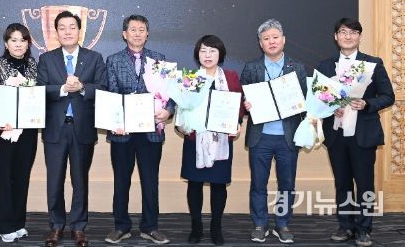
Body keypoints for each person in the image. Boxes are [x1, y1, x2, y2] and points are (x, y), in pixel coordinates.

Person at [318, 18, 394, 247]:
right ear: (336, 37)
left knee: (364, 184)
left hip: (363, 133)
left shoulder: (373, 63)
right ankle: (345, 226)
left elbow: (387, 96)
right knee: (342, 183)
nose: (348, 36)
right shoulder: (325, 65)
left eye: (353, 32)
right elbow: (318, 100)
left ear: (360, 37)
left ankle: (364, 229)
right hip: (336, 134)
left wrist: (367, 103)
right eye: (343, 32)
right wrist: (330, 108)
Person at [37, 10, 107, 247]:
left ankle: (78, 227)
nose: (67, 31)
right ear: (56, 32)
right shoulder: (46, 59)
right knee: (54, 181)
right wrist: (63, 89)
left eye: (72, 27)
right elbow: (39, 89)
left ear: (80, 31)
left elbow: (103, 87)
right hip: (55, 130)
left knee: (80, 180)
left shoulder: (94, 58)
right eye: (62, 28)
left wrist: (83, 88)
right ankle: (56, 225)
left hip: (82, 129)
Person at [104, 15, 174, 245]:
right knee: (121, 181)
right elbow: (111, 94)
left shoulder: (159, 59)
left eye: (141, 29)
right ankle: (121, 227)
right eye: (132, 29)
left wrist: (168, 111)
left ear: (147, 33)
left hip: (151, 131)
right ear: (124, 34)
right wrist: (116, 121)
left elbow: (170, 93)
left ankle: (150, 227)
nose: (137, 33)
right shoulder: (113, 61)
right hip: (122, 132)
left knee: (150, 181)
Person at [240, 19, 307, 244]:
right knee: (258, 183)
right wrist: (246, 104)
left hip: (288, 136)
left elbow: (305, 100)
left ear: (283, 40)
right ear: (260, 43)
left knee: (287, 184)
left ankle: (282, 224)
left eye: (275, 37)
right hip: (261, 137)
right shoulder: (251, 67)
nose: (271, 42)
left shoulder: (297, 67)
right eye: (266, 39)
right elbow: (242, 97)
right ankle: (260, 224)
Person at [181, 35, 245, 246]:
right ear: (197, 54)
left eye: (212, 51)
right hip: (195, 139)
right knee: (194, 183)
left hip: (221, 140)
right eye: (203, 51)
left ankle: (216, 227)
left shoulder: (230, 77)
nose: (207, 55)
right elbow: (182, 106)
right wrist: (183, 121)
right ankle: (196, 226)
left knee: (219, 185)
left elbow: (239, 105)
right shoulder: (190, 78)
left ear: (220, 54)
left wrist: (237, 123)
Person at [0, 23, 39, 243]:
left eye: (22, 40)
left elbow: (39, 98)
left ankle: (18, 223)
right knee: (3, 179)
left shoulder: (34, 66)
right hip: (5, 131)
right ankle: (4, 225)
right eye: (13, 40)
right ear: (6, 44)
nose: (18, 44)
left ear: (28, 44)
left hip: (27, 132)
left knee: (21, 177)